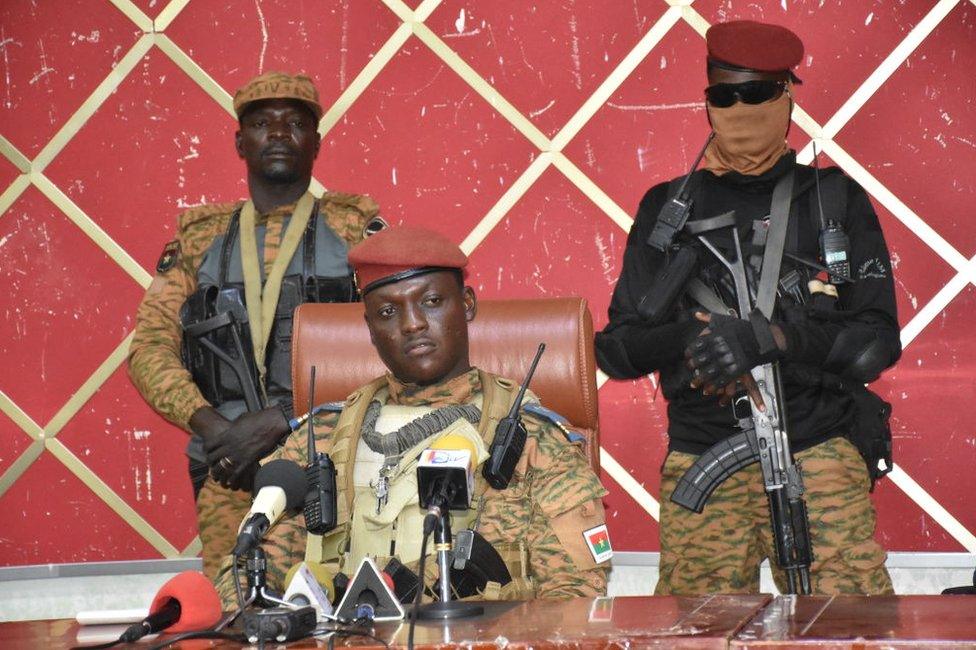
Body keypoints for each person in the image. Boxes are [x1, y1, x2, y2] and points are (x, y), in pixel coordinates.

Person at [595, 20, 900, 595]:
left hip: (818, 454)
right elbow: (616, 349)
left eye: (756, 93)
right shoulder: (668, 209)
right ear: (707, 102)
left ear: (786, 96)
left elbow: (877, 343)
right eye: (723, 95)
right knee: (695, 633)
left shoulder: (831, 199)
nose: (739, 107)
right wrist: (690, 335)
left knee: (849, 630)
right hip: (703, 458)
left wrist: (772, 339)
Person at [215, 225, 611, 605]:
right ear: (369, 328)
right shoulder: (321, 435)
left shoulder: (530, 436)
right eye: (388, 312)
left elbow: (572, 597)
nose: (413, 324)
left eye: (432, 302)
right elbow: (251, 569)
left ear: (467, 304)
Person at [128, 71, 385, 578]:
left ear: (317, 142)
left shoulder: (356, 230)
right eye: (262, 123)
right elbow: (149, 351)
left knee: (340, 599)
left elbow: (393, 346)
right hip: (227, 467)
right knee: (235, 605)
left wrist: (282, 419)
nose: (279, 133)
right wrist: (220, 431)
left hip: (332, 457)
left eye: (295, 123)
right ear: (240, 142)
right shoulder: (199, 241)